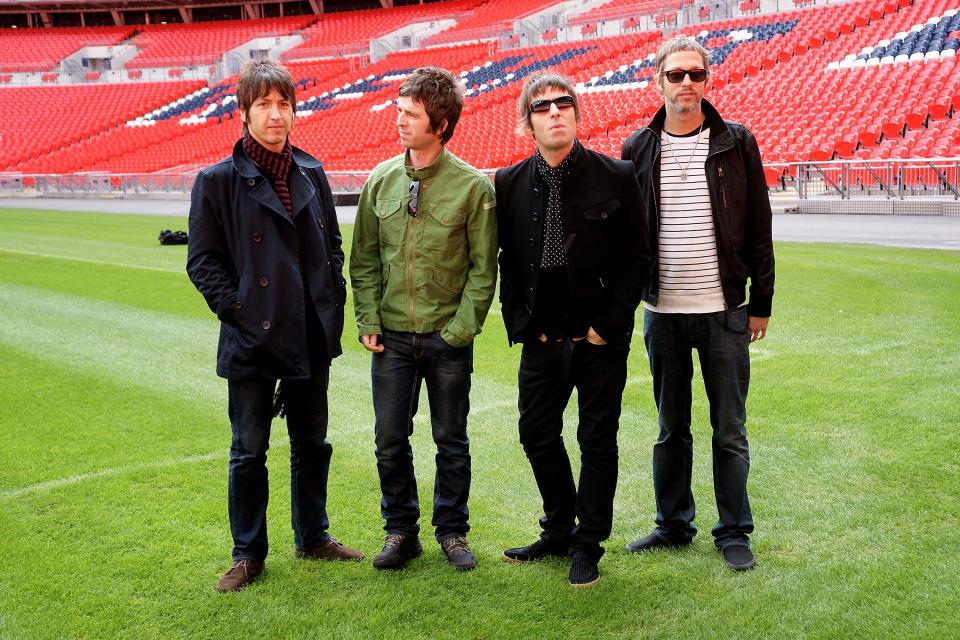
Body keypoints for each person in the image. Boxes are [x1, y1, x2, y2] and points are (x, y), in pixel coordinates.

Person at [187, 59, 363, 593]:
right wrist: (240, 314)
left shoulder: (312, 171)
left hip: (309, 331)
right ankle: (248, 554)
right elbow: (203, 263)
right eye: (263, 104)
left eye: (283, 103)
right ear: (243, 113)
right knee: (249, 450)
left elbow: (332, 245)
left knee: (313, 442)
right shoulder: (216, 181)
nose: (275, 113)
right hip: (252, 337)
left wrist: (331, 295)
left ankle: (313, 535)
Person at [620, 35, 775, 571]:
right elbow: (625, 236)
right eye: (676, 74)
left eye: (697, 74)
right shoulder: (637, 148)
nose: (687, 83)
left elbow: (760, 228)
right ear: (658, 80)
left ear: (708, 80)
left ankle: (734, 530)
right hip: (662, 312)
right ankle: (672, 524)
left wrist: (761, 303)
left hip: (725, 310)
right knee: (670, 426)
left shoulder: (737, 141)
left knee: (729, 427)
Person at [495, 72, 652, 588]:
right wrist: (522, 324)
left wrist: (607, 328)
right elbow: (509, 264)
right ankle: (558, 529)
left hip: (598, 338)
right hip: (542, 336)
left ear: (578, 116)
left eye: (564, 104)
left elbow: (637, 260)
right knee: (536, 434)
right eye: (542, 107)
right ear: (528, 122)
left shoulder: (618, 175)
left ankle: (588, 543)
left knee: (596, 440)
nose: (555, 112)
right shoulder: (509, 181)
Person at [349, 67, 497, 572]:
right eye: (399, 110)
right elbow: (363, 257)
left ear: (440, 124)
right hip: (390, 339)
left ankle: (452, 532)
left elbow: (484, 270)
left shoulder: (473, 188)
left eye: (411, 114)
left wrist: (459, 331)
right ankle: (400, 532)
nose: (400, 121)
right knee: (390, 439)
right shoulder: (379, 180)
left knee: (450, 441)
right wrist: (368, 317)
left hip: (446, 339)